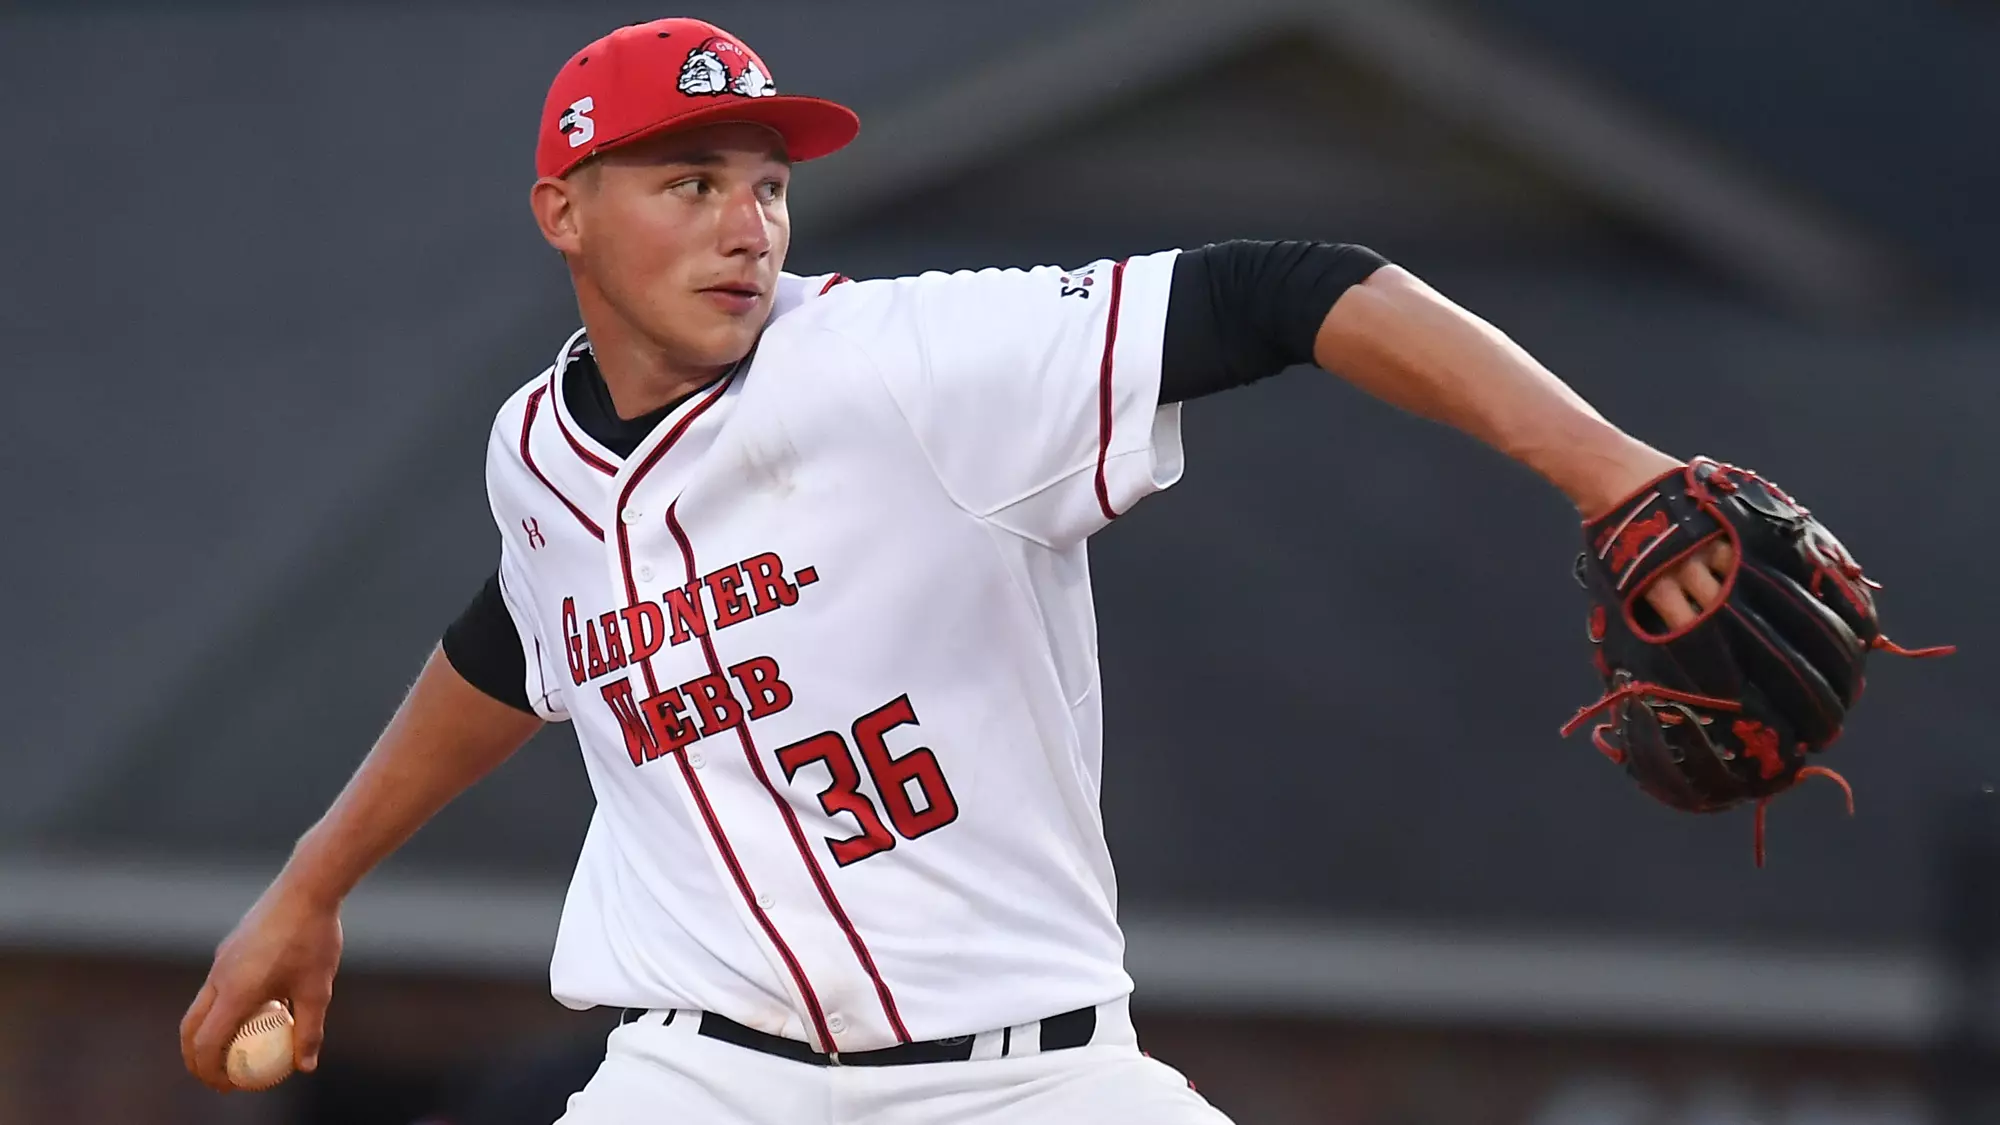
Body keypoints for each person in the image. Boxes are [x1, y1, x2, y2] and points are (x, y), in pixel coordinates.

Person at [179, 16, 1730, 1123]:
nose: (747, 225)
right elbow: (518, 642)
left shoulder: (911, 364)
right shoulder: (537, 454)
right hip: (697, 1080)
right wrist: (311, 887)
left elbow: (1296, 288)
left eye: (766, 183)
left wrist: (1613, 471)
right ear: (563, 214)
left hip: (1027, 1080)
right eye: (691, 182)